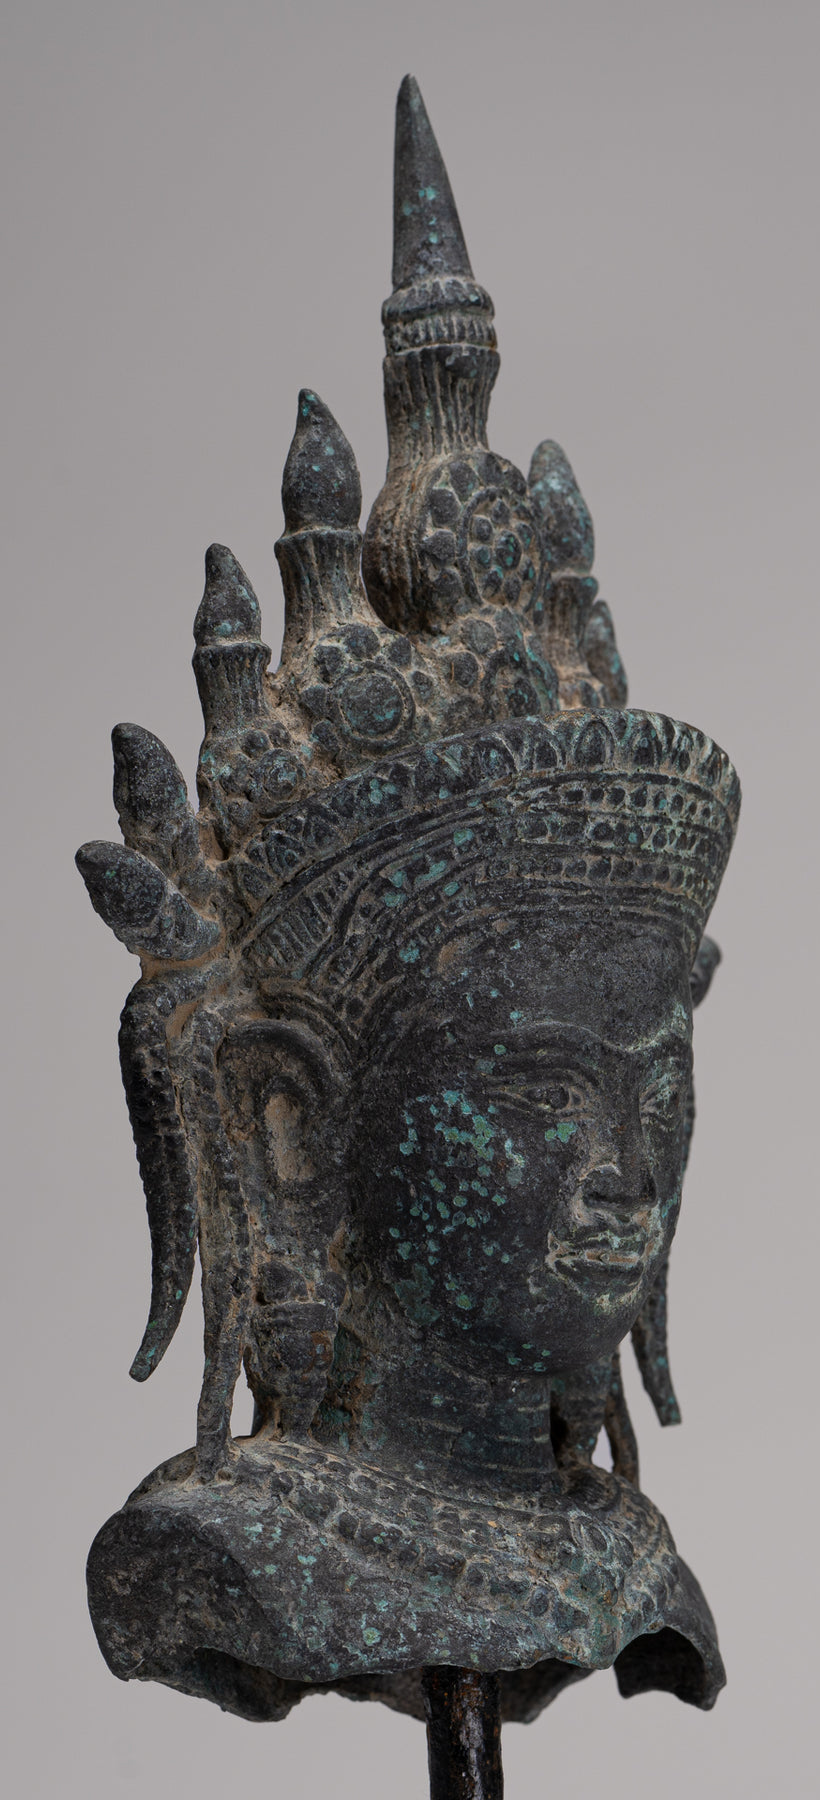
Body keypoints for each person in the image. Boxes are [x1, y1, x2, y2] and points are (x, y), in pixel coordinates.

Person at [78, 78, 739, 1728]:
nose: (625, 1164)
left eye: (653, 1083)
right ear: (291, 1122)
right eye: (541, 1083)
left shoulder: (621, 1557)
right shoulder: (239, 1550)